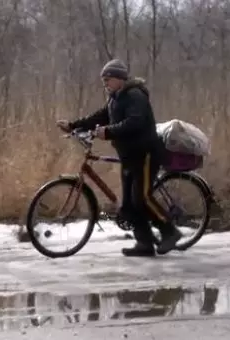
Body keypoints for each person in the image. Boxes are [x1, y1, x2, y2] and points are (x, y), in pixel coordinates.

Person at [56, 59, 182, 257]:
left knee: (142, 198)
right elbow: (100, 117)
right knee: (129, 204)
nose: (105, 83)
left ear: (120, 79)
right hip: (129, 155)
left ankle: (170, 231)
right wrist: (73, 125)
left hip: (146, 153)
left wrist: (108, 132)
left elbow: (135, 122)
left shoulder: (134, 95)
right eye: (103, 80)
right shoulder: (115, 98)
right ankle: (144, 244)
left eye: (108, 79)